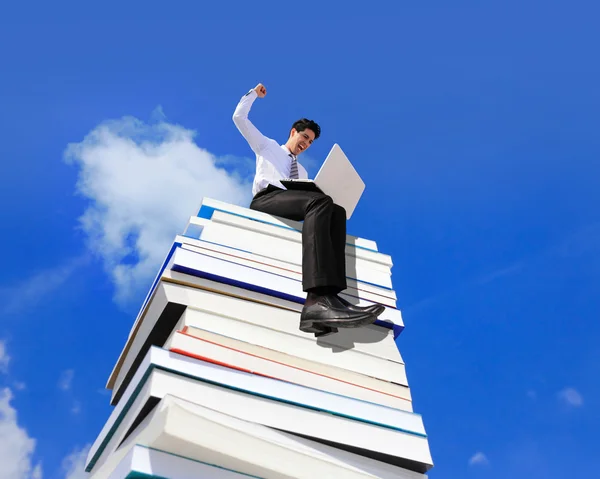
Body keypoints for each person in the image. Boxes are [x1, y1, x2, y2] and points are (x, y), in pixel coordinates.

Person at [233, 83, 384, 336]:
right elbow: (239, 118)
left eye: (311, 142)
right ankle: (316, 300)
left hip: (292, 200)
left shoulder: (302, 172)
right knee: (319, 202)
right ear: (294, 132)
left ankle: (331, 298)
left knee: (335, 209)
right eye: (304, 137)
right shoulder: (267, 146)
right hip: (266, 200)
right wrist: (252, 95)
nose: (306, 143)